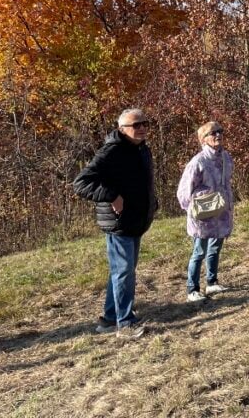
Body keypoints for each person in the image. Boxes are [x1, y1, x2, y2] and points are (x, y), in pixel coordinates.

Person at [73, 108, 158, 340]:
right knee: (123, 273)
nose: (142, 128)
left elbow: (143, 182)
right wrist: (112, 196)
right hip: (119, 223)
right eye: (136, 125)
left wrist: (152, 202)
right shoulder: (111, 151)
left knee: (123, 271)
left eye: (145, 123)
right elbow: (81, 183)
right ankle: (125, 324)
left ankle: (110, 318)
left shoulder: (142, 149)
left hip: (136, 220)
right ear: (122, 129)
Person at [177, 121, 235, 303]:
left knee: (215, 247)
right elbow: (184, 190)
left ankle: (212, 282)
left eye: (220, 131)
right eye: (213, 133)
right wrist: (191, 209)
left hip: (221, 211)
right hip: (202, 214)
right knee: (199, 251)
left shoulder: (225, 157)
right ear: (203, 139)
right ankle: (192, 289)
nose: (218, 135)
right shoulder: (198, 161)